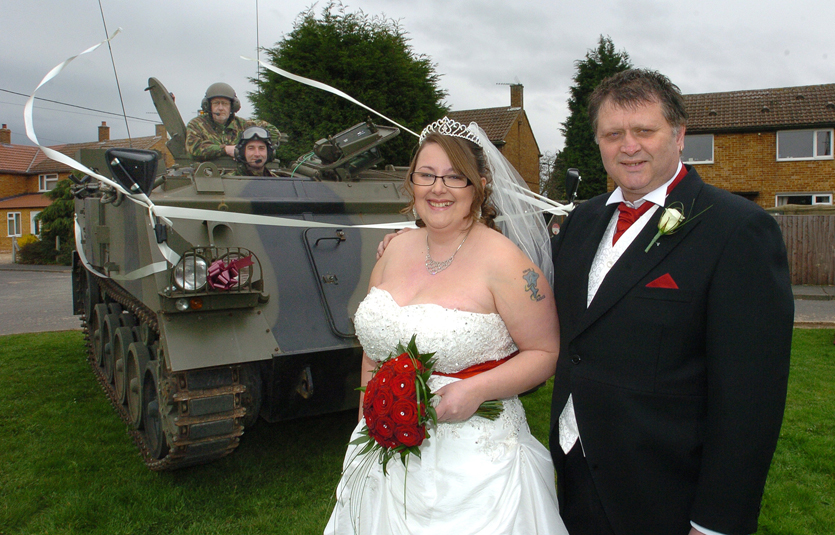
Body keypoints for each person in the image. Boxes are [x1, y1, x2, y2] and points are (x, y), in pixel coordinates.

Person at [549, 69, 793, 535]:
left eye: (644, 130)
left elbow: (751, 397)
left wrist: (716, 520)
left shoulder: (737, 229)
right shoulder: (580, 222)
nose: (629, 146)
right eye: (613, 133)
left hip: (667, 491)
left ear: (680, 136)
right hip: (577, 474)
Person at [325, 117, 569, 534]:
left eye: (455, 177)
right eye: (427, 175)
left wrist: (475, 390)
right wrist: (368, 416)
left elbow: (545, 353)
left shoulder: (508, 264)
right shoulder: (392, 249)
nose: (439, 189)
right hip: (383, 448)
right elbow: (374, 344)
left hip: (478, 469)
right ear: (412, 182)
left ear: (480, 184)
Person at [185, 82, 280, 161]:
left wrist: (247, 150)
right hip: (207, 173)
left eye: (225, 104)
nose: (220, 108)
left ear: (233, 106)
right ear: (208, 106)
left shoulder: (243, 125)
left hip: (240, 173)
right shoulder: (197, 125)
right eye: (216, 103)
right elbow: (194, 148)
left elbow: (273, 132)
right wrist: (226, 149)